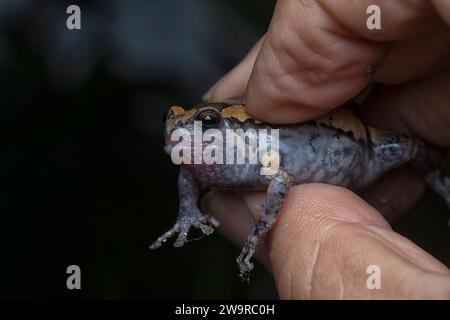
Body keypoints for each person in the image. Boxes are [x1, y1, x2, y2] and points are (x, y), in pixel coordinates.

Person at [202, 0, 450, 299]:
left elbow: (280, 178)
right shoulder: (222, 154)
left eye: (208, 123)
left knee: (408, 146)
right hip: (327, 151)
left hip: (362, 145)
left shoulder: (251, 141)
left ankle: (436, 178)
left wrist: (260, 229)